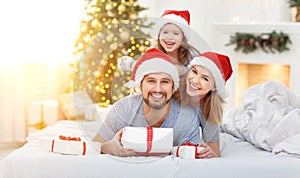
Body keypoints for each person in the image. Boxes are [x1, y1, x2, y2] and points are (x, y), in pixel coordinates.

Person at [93, 48, 200, 157]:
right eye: (151, 81)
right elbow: (95, 146)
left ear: (173, 88)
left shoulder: (187, 119)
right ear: (140, 86)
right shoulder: (122, 109)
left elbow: (191, 165)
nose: (158, 89)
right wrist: (106, 147)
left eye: (164, 82)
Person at [174, 52, 233, 158]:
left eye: (205, 78)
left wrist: (209, 153)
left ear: (215, 87)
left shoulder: (209, 111)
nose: (195, 80)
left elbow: (215, 153)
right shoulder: (174, 85)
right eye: (194, 71)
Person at [118, 9, 200, 77]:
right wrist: (130, 64)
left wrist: (185, 70)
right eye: (165, 32)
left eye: (176, 33)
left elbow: (202, 71)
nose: (169, 37)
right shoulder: (153, 52)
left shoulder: (191, 54)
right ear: (159, 34)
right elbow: (144, 68)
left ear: (183, 38)